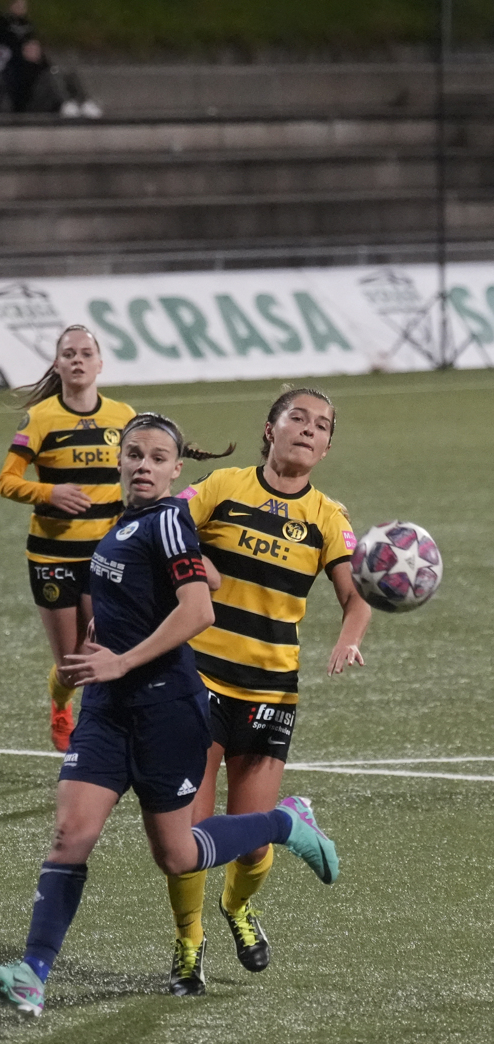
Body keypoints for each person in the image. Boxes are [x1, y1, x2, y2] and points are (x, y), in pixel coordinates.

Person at [0, 413, 340, 1017]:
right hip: (106, 713)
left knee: (176, 855)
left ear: (176, 471)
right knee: (72, 833)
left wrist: (124, 659)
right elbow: (208, 579)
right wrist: (103, 639)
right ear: (120, 462)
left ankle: (283, 823)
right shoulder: (126, 524)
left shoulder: (170, 517)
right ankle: (33, 975)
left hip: (165, 711)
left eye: (156, 457)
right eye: (134, 454)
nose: (142, 464)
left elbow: (198, 609)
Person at [164, 388, 371, 997]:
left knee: (251, 839)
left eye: (321, 425)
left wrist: (348, 638)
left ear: (328, 446)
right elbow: (165, 528)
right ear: (270, 428)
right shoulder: (223, 486)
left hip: (270, 691)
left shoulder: (329, 517)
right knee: (192, 834)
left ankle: (238, 907)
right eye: (297, 417)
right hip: (197, 679)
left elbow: (355, 595)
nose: (308, 429)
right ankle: (188, 943)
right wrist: (194, 563)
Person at [0, 326, 135, 752]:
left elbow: (140, 473)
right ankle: (61, 703)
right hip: (51, 554)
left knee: (99, 647)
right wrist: (49, 492)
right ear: (58, 364)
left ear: (99, 364)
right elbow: (7, 481)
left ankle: (101, 732)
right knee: (71, 663)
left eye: (86, 353)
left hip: (104, 556)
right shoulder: (41, 419)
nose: (77, 360)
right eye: (69, 353)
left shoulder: (123, 416)